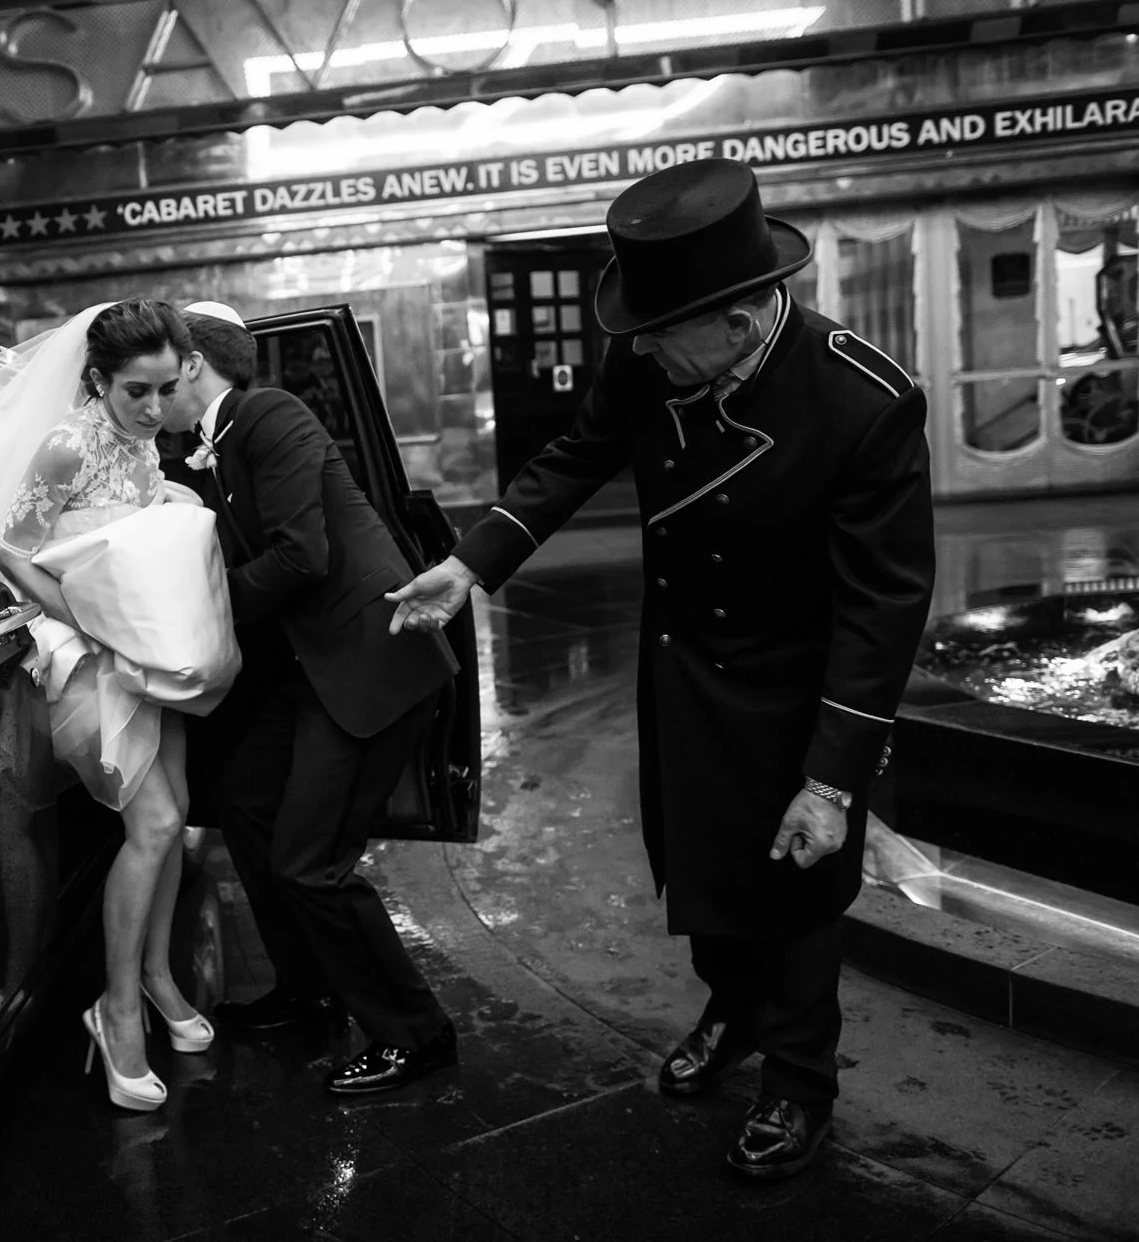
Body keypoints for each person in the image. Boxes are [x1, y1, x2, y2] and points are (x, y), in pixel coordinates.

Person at [386, 158, 935, 1178]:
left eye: (657, 332)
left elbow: (882, 606)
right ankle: (732, 1014)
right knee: (697, 871)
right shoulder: (650, 360)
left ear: (733, 319)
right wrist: (469, 563)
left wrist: (831, 777)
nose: (637, 350)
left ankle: (797, 1086)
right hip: (685, 664)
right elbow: (574, 455)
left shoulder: (861, 400)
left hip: (798, 684)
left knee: (796, 893)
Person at [0, 299, 241, 1114]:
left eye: (167, 390)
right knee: (153, 824)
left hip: (140, 651)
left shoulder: (142, 443)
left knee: (173, 820)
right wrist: (90, 621)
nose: (153, 410)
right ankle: (114, 1010)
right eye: (135, 392)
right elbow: (14, 551)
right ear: (99, 378)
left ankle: (157, 974)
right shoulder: (69, 443)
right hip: (81, 657)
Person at [166, 300, 461, 1098]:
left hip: (369, 665)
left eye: (164, 372)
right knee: (244, 803)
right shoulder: (203, 447)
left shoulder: (269, 414)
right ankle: (309, 987)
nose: (156, 393)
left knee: (311, 861)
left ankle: (415, 1031)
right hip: (304, 670)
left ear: (192, 363)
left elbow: (300, 556)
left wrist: (189, 610)